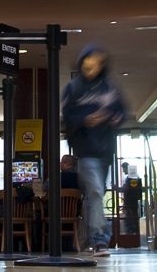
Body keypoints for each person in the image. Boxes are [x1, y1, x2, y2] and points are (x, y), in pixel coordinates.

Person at [61, 45, 128, 258]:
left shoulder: (109, 87)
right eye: (89, 61)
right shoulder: (73, 88)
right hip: (85, 151)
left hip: (106, 150)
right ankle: (100, 240)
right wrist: (85, 120)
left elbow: (122, 112)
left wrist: (112, 118)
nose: (93, 66)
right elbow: (66, 120)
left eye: (98, 62)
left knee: (94, 196)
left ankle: (88, 239)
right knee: (97, 192)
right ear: (82, 62)